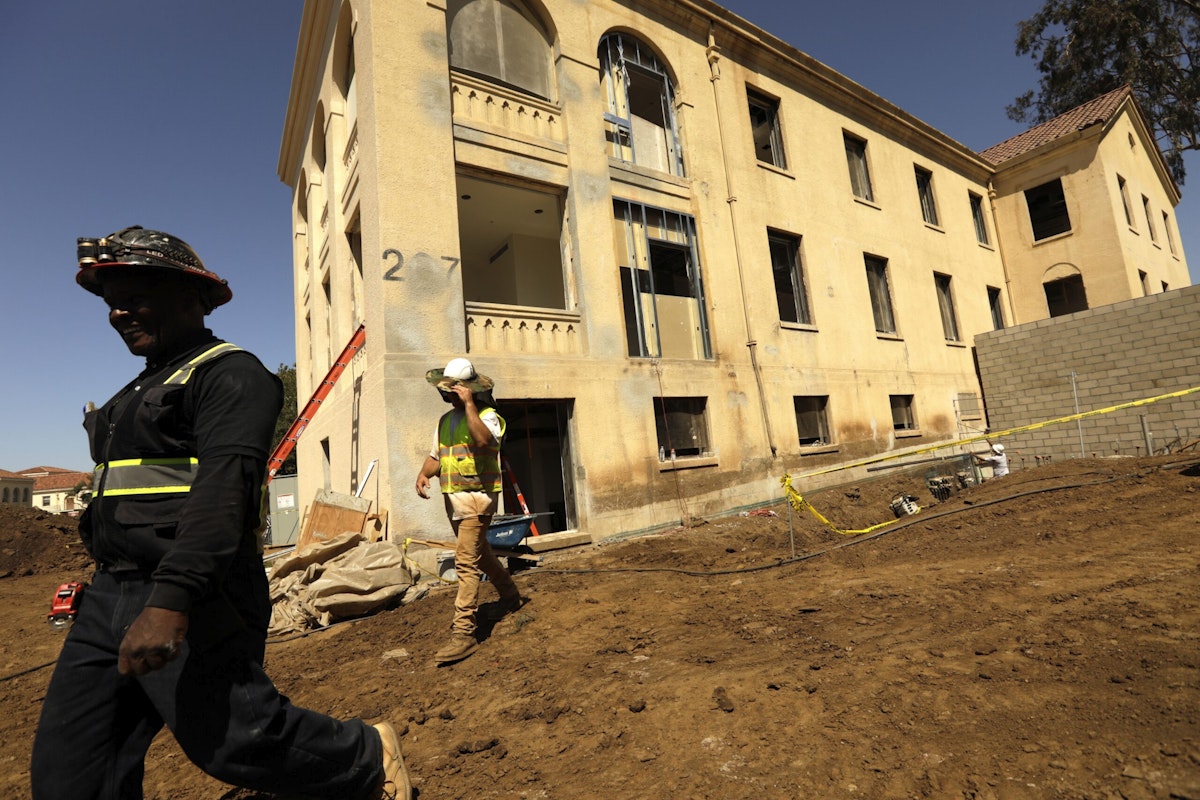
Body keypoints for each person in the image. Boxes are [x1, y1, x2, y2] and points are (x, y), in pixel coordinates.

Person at [30, 226, 410, 800]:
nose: (119, 313)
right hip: (109, 593)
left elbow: (223, 495)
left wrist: (170, 601)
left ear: (191, 297)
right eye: (112, 303)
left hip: (196, 589)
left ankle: (363, 755)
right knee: (73, 768)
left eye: (134, 297)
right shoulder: (137, 389)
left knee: (237, 740)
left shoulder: (229, 374)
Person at [415, 358, 525, 665]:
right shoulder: (445, 421)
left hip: (478, 501)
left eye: (455, 391)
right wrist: (424, 474)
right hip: (455, 502)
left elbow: (482, 441)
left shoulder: (489, 417)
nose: (448, 395)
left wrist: (470, 406)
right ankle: (511, 595)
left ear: (469, 391)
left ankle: (464, 633)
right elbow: (436, 456)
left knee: (465, 563)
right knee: (482, 555)